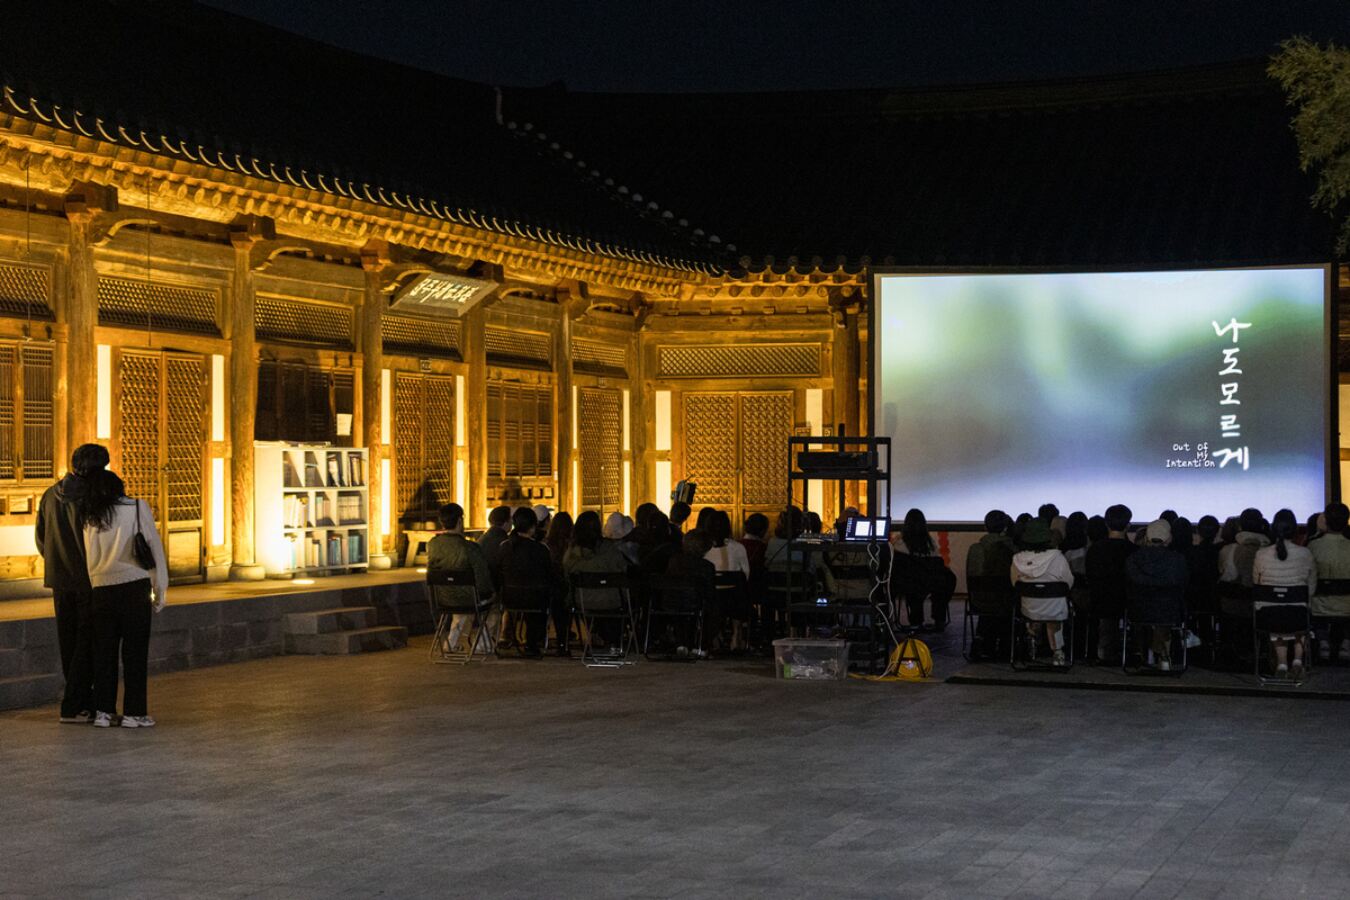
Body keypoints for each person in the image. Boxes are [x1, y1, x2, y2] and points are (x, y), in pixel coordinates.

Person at [77, 468, 167, 728]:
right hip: (134, 586)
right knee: (135, 653)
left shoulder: (91, 515)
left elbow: (89, 555)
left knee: (104, 654)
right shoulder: (137, 507)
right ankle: (134, 713)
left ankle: (103, 712)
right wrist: (160, 589)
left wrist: (96, 584)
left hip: (102, 588)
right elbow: (154, 547)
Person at [35, 443, 108, 725]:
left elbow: (41, 538)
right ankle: (76, 704)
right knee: (87, 643)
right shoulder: (92, 497)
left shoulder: (49, 495)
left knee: (68, 641)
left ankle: (79, 704)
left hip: (59, 578)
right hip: (89, 578)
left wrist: (56, 561)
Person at [1252, 508, 1317, 678]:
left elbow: (1257, 584)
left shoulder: (1261, 554)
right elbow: (1311, 588)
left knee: (1276, 613)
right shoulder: (1305, 553)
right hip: (1298, 614)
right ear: (1295, 529)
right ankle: (1297, 661)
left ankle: (1281, 664)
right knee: (1299, 612)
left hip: (1268, 616)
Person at [426, 503, 497, 654]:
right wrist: (489, 592)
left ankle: (451, 643)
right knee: (494, 605)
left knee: (460, 599)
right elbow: (482, 577)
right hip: (468, 598)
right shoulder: (470, 548)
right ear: (460, 521)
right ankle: (482, 644)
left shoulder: (432, 545)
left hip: (442, 597)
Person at [1124, 519, 1189, 671]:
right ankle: (1163, 654)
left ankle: (1139, 653)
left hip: (1138, 611)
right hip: (1169, 611)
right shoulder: (1178, 560)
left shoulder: (1133, 559)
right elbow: (1183, 584)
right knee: (1164, 611)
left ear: (1147, 537)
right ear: (1168, 538)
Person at [497, 507, 560, 658]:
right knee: (543, 597)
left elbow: (498, 571)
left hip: (509, 597)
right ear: (532, 527)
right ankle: (532, 642)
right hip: (535, 598)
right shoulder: (541, 549)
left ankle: (508, 637)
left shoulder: (504, 547)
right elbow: (549, 574)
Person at [1011, 518, 1074, 666]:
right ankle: (1057, 651)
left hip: (1028, 609)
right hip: (1056, 610)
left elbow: (1015, 584)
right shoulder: (1057, 558)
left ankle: (1032, 637)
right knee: (1055, 611)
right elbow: (1068, 583)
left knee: (1035, 611)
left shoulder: (1017, 559)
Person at [1085, 504, 1137, 662]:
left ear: (1106, 524)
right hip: (1126, 600)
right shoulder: (1133, 551)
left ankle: (1098, 651)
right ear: (1128, 525)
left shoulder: (1095, 549)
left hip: (1099, 600)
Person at [892, 508, 954, 632]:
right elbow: (937, 560)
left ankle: (916, 621)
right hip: (932, 582)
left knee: (912, 581)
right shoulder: (929, 542)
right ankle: (939, 619)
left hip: (910, 583)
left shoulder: (900, 542)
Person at [965, 509, 1017, 659]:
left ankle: (985, 644)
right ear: (1005, 527)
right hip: (1006, 602)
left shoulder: (975, 549)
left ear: (985, 526)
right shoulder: (1013, 550)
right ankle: (1006, 645)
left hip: (978, 601)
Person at [1309, 502, 1350, 663]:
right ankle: (1346, 643)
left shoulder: (1313, 545)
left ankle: (1323, 641)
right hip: (1347, 607)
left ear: (1325, 521)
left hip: (1320, 607)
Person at [1219, 508, 1270, 587]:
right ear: (1262, 525)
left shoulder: (1227, 550)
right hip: (1262, 592)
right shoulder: (1272, 551)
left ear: (1240, 526)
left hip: (1233, 593)